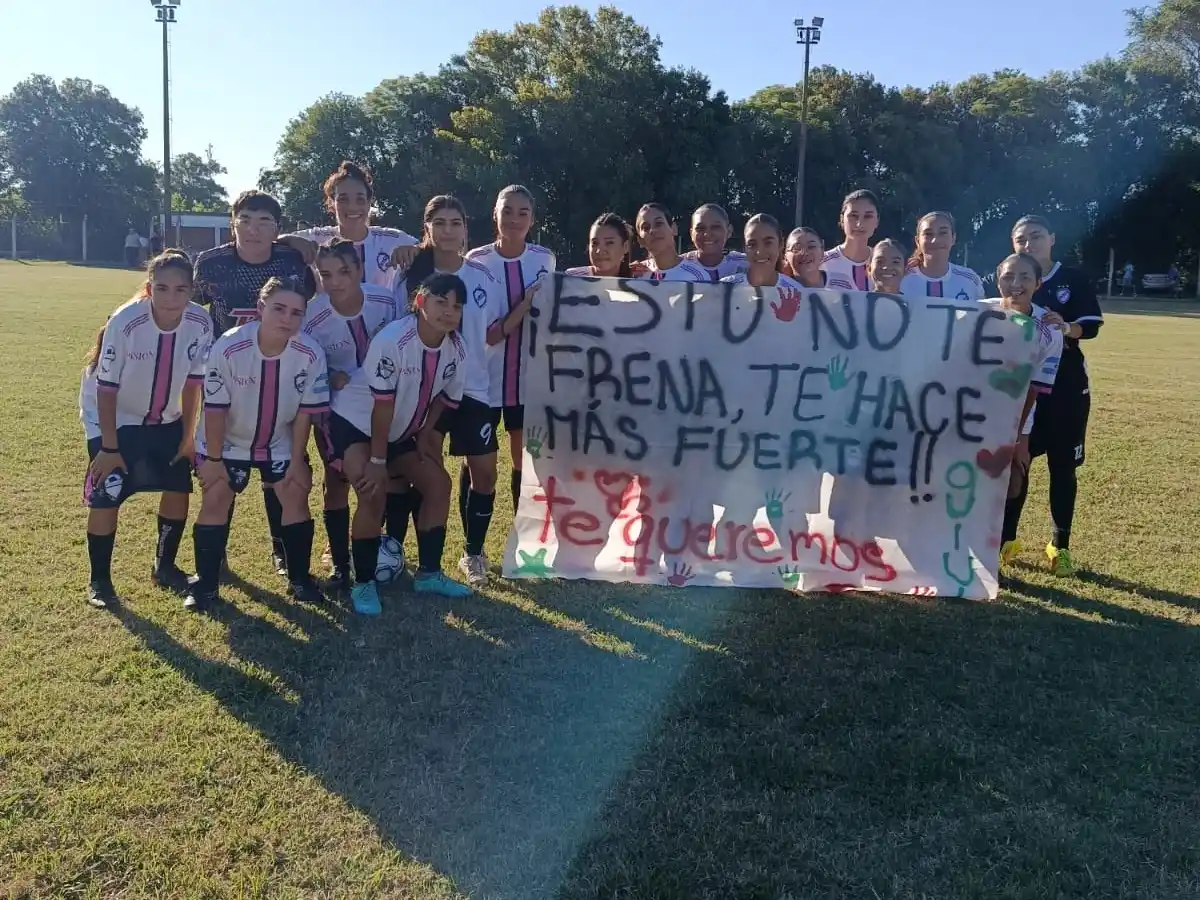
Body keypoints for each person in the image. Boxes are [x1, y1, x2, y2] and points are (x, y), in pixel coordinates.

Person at [328, 272, 473, 614]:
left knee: (438, 484)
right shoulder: (394, 340)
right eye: (441, 302)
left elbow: (446, 400)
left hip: (398, 431)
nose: (449, 311)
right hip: (356, 423)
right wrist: (378, 462)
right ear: (421, 302)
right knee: (371, 490)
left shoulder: (457, 349)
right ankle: (363, 584)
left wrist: (424, 434)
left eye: (457, 306)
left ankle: (429, 574)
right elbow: (382, 406)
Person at [186, 276, 330, 611]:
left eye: (296, 313)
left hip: (278, 441)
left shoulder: (310, 353)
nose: (287, 318)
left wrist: (297, 461)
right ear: (261, 308)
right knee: (217, 496)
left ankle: (299, 579)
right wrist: (215, 460)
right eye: (279, 308)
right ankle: (205, 585)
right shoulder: (230, 346)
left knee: (295, 494)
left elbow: (304, 414)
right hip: (226, 442)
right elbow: (215, 408)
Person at [80, 250, 213, 608]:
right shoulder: (127, 321)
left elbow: (192, 384)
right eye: (163, 288)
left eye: (181, 290)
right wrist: (109, 448)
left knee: (177, 487)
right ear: (150, 288)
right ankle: (100, 582)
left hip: (166, 418)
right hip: (114, 417)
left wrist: (187, 438)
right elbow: (106, 389)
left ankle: (165, 567)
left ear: (192, 290)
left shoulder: (201, 323)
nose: (172, 298)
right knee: (108, 492)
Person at [193, 190, 314, 576]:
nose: (254, 229)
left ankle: (282, 550)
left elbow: (309, 302)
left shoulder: (291, 261)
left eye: (264, 221)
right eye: (245, 219)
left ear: (277, 228)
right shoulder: (210, 263)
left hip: (280, 374)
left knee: (278, 466)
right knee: (223, 467)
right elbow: (189, 309)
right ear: (233, 222)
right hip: (228, 376)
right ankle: (216, 556)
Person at [400, 195, 504, 587]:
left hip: (473, 388)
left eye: (455, 223)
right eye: (439, 223)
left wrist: (525, 308)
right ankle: (405, 551)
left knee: (485, 472)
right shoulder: (410, 273)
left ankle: (472, 553)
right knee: (424, 469)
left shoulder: (482, 276)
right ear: (426, 228)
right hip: (423, 390)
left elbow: (491, 332)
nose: (447, 230)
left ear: (466, 228)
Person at [1007, 214, 1104, 575]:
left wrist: (1066, 328)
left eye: (1035, 236)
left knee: (1062, 468)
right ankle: (1006, 539)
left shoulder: (1072, 278)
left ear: (1052, 238)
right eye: (1020, 239)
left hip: (1065, 389)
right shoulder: (1010, 278)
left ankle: (1059, 545)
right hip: (1020, 390)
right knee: (1017, 462)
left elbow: (1090, 328)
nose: (1028, 244)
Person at [303, 239, 399, 590]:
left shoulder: (385, 301)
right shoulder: (313, 315)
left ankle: (372, 549)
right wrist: (328, 376)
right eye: (325, 274)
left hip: (382, 406)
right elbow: (302, 362)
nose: (335, 281)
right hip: (335, 413)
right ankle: (340, 564)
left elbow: (404, 342)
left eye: (344, 272)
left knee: (379, 481)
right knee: (337, 482)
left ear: (359, 268)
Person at [465, 185, 556, 511]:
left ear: (532, 219)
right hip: (483, 381)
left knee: (524, 462)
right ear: (495, 213)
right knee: (478, 466)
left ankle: (521, 540)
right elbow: (487, 334)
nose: (514, 219)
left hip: (526, 381)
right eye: (507, 211)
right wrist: (524, 305)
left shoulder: (545, 259)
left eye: (523, 212)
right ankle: (472, 549)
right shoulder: (476, 261)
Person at [990, 251, 1065, 569]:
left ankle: (999, 546)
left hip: (1018, 421)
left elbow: (1036, 389)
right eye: (1008, 276)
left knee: (1009, 481)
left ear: (1038, 283)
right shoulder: (979, 313)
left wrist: (1017, 435)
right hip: (968, 417)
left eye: (1024, 277)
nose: (1015, 283)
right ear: (997, 279)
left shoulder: (1049, 329)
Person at [279, 160, 419, 291]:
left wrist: (415, 249)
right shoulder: (318, 238)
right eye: (343, 200)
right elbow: (272, 241)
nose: (352, 207)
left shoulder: (393, 239)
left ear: (369, 202)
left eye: (360, 199)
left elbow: (430, 248)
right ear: (332, 204)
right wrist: (290, 240)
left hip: (385, 317)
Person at [900, 211, 985, 300]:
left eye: (943, 233)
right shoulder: (903, 280)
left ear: (953, 238)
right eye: (928, 234)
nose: (935, 240)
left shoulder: (970, 280)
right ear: (917, 241)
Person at [632, 203, 709, 281]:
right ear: (640, 241)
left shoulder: (697, 276)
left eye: (658, 223)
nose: (652, 230)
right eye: (646, 227)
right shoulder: (634, 274)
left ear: (673, 228)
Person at [821, 189, 879, 291]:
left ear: (877, 221)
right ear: (842, 219)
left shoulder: (884, 265)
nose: (859, 224)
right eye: (853, 216)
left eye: (868, 216)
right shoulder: (822, 262)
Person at [682, 203, 747, 281]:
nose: (707, 234)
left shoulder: (747, 263)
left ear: (729, 231)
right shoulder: (679, 265)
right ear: (691, 234)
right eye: (700, 228)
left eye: (715, 227)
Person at [564, 213, 634, 277]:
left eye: (609, 243)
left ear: (625, 247)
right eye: (595, 243)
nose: (599, 251)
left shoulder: (639, 281)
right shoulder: (572, 278)